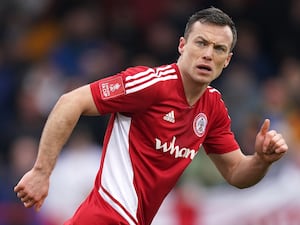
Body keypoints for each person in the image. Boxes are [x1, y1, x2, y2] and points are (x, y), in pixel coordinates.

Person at [14, 7, 288, 225]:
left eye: (218, 49)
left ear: (227, 59)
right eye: (201, 43)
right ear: (182, 45)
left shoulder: (213, 108)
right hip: (106, 216)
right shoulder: (150, 84)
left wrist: (262, 160)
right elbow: (69, 102)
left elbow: (237, 173)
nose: (207, 54)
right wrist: (41, 172)